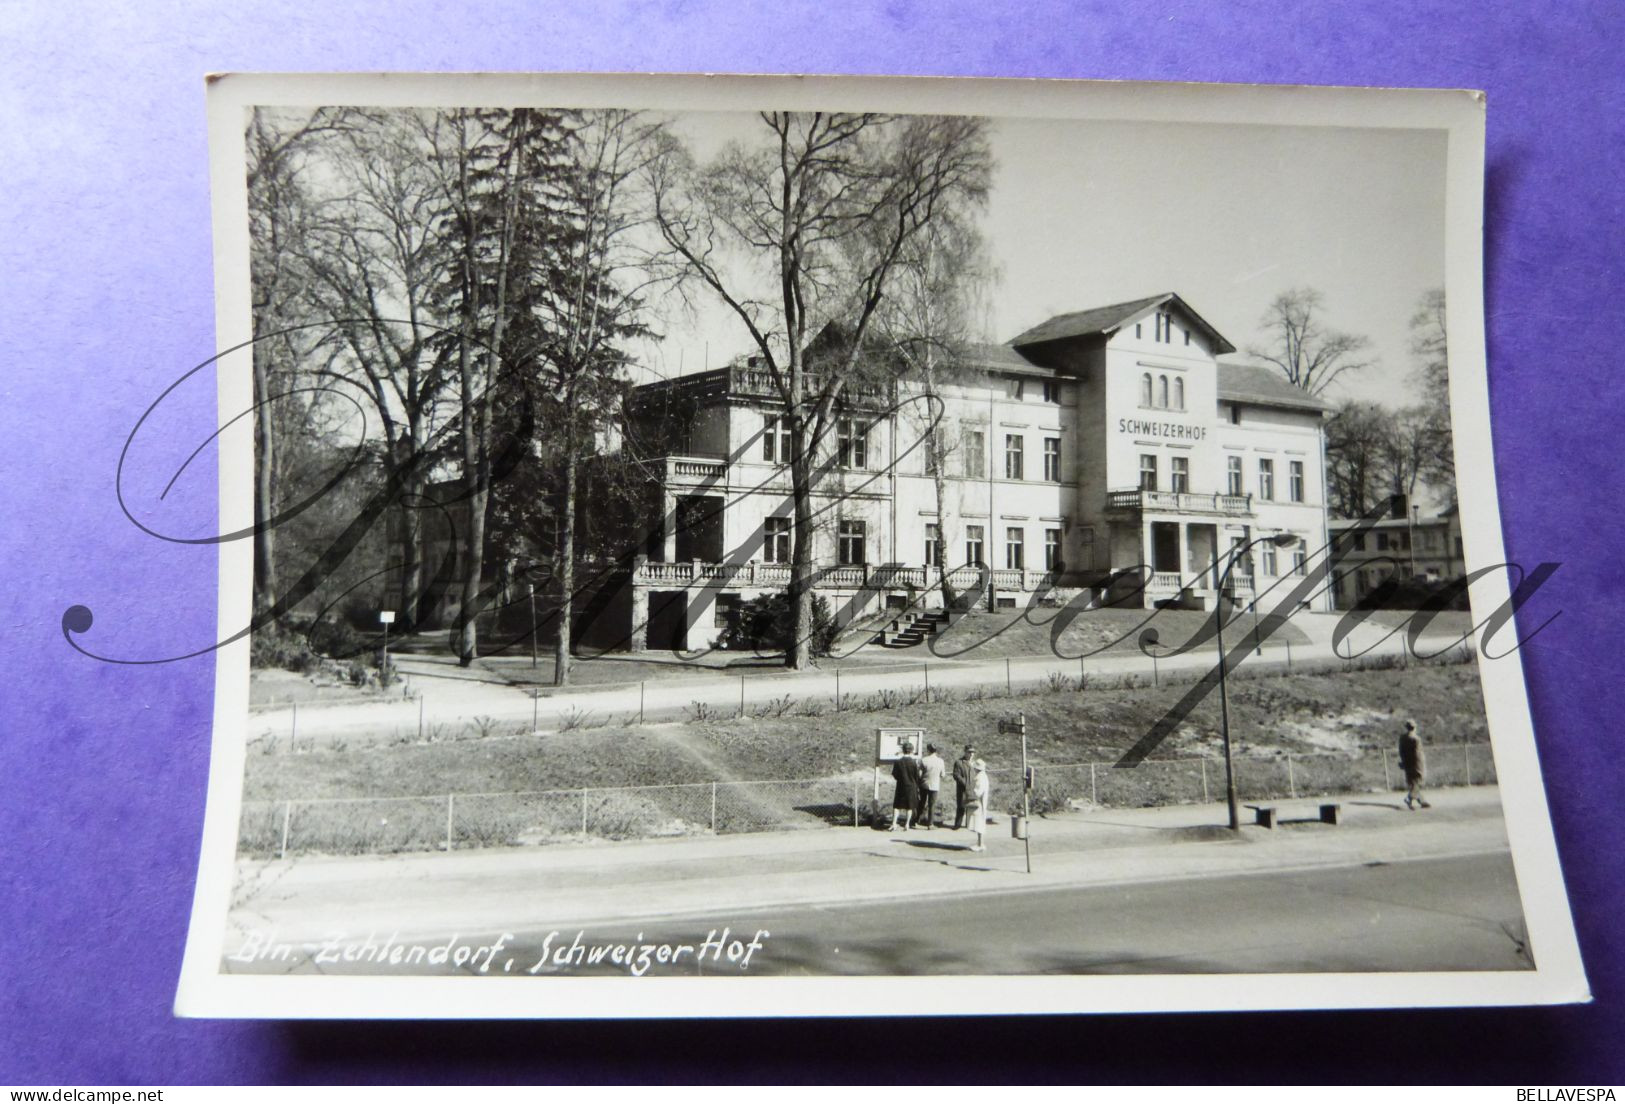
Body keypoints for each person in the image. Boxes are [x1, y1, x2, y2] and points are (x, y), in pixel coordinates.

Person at [889, 740, 923, 831]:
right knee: (910, 806)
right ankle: (907, 824)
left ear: (903, 750)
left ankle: (894, 823)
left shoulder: (898, 762)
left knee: (897, 806)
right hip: (911, 786)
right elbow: (917, 776)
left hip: (900, 786)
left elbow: (895, 774)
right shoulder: (914, 762)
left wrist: (900, 779)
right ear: (911, 750)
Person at [1398, 719, 1430, 810]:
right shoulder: (1416, 739)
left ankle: (1421, 800)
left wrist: (1403, 761)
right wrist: (1421, 764)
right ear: (1414, 727)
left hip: (1407, 763)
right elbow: (1418, 753)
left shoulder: (1402, 738)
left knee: (1413, 782)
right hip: (1417, 763)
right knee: (1419, 781)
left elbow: (1401, 751)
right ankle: (1409, 798)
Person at [964, 757, 990, 851]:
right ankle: (980, 843)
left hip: (978, 802)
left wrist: (971, 793)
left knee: (979, 823)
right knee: (980, 822)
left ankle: (980, 844)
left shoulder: (980, 777)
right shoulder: (983, 775)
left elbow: (978, 791)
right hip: (981, 801)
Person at [918, 743, 946, 829]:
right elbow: (943, 775)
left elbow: (919, 774)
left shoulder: (924, 760)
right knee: (932, 804)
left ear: (928, 750)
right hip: (935, 785)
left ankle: (917, 820)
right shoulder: (940, 761)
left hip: (924, 784)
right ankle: (930, 824)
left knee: (922, 802)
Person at [952, 743, 976, 829]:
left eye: (973, 752)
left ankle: (970, 824)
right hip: (962, 789)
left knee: (972, 807)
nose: (971, 754)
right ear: (965, 752)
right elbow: (956, 775)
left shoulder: (975, 763)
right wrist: (964, 783)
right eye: (969, 752)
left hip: (973, 789)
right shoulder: (959, 762)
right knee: (961, 807)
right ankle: (957, 825)